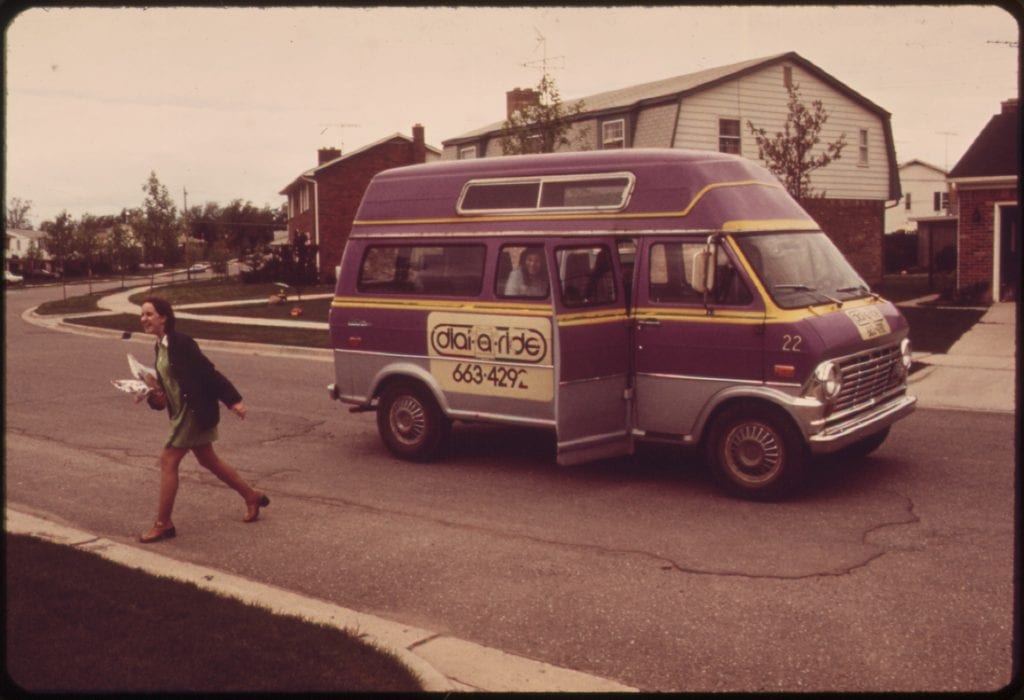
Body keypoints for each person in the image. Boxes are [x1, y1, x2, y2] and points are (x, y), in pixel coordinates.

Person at [137, 296, 268, 543]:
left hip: (193, 411)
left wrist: (233, 400)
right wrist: (154, 395)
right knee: (208, 459)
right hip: (181, 412)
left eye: (149, 314)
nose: (143, 319)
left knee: (168, 460)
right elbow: (170, 387)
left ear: (164, 317)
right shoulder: (160, 346)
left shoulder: (182, 343)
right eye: (142, 314)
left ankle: (163, 524)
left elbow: (209, 374)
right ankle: (251, 496)